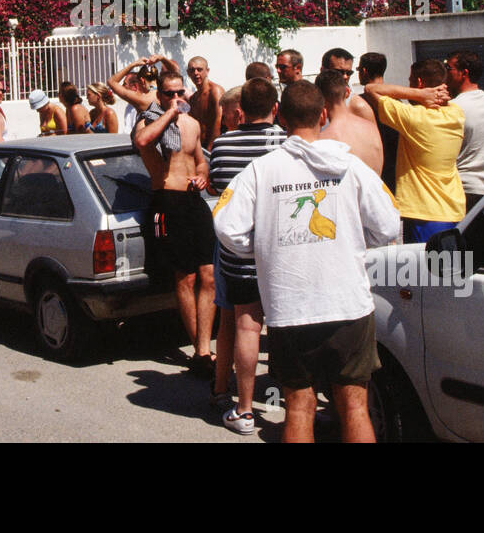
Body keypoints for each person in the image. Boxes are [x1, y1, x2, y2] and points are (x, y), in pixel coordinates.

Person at [213, 80, 400, 443]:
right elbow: (389, 224)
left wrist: (265, 249)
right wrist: (356, 241)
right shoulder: (351, 166)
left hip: (290, 307)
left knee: (299, 407)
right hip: (348, 305)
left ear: (280, 116)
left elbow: (227, 227)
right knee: (355, 406)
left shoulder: (259, 171)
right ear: (324, 115)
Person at [205, 77, 285, 432]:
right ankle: (293, 396)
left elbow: (219, 189)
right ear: (275, 107)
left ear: (239, 112)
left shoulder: (222, 145)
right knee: (287, 325)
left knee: (240, 325)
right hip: (284, 251)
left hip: (238, 252)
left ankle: (240, 405)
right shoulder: (288, 143)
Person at [133, 71, 213, 376]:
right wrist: (167, 113)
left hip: (194, 201)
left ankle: (204, 347)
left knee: (209, 274)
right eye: (169, 93)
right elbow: (143, 140)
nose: (177, 98)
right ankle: (200, 351)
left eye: (181, 92)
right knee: (186, 277)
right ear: (159, 96)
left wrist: (203, 175)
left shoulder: (192, 125)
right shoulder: (146, 122)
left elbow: (200, 158)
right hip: (167, 199)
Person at [360, 59, 463, 244]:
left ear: (420, 83)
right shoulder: (456, 113)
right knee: (450, 271)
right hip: (452, 210)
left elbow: (371, 89)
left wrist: (418, 94)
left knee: (419, 272)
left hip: (424, 214)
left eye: (410, 81)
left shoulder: (414, 118)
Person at [446, 50, 484, 213]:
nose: (446, 74)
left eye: (449, 68)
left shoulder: (453, 107)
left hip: (462, 189)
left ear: (464, 73)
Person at [317, 69, 383, 177]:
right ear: (347, 92)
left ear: (319, 97)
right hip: (378, 191)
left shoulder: (324, 139)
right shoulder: (371, 128)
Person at [358, 52, 399, 193]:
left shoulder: (359, 102)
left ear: (364, 71)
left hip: (371, 169)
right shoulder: (397, 100)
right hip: (395, 169)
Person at [185, 56, 224, 150]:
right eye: (192, 70)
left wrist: (211, 148)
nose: (196, 73)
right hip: (200, 148)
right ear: (188, 73)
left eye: (199, 69)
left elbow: (219, 119)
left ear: (207, 71)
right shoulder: (193, 99)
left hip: (215, 147)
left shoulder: (215, 91)